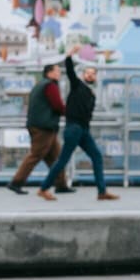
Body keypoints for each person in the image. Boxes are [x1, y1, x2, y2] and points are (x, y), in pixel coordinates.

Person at [37, 56, 118, 201]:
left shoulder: (91, 94)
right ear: (83, 75)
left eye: (93, 73)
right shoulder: (77, 85)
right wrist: (69, 56)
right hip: (73, 129)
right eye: (87, 73)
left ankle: (102, 192)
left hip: (83, 131)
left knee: (97, 156)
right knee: (62, 160)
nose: (90, 75)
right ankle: (43, 188)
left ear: (96, 77)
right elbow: (70, 71)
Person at [8, 63, 69, 195]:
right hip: (44, 127)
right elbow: (57, 105)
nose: (59, 73)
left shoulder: (40, 85)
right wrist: (70, 113)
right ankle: (16, 182)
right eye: (57, 71)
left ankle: (61, 184)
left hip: (41, 125)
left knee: (56, 157)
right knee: (35, 155)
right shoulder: (50, 86)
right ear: (49, 73)